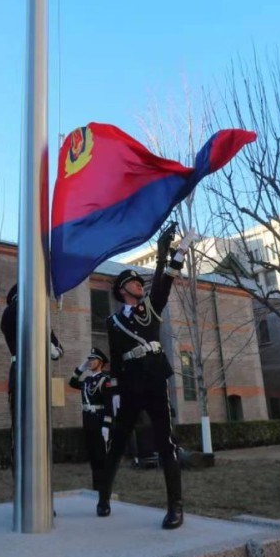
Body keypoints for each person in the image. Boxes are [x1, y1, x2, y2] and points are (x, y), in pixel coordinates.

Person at [97, 222, 191, 530]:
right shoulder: (113, 321)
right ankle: (104, 496)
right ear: (123, 289)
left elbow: (168, 278)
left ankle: (175, 507)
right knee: (119, 443)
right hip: (129, 385)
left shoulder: (151, 306)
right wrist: (114, 395)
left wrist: (169, 252)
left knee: (165, 441)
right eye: (134, 283)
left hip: (154, 380)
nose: (140, 285)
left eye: (140, 282)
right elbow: (114, 361)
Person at [0, 283, 64, 472]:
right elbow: (20, 321)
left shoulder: (37, 315)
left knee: (39, 427)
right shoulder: (11, 312)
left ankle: (38, 472)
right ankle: (22, 474)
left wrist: (53, 348)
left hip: (39, 371)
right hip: (22, 368)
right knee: (22, 428)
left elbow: (59, 350)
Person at [69, 348, 113, 490]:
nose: (90, 362)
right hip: (88, 420)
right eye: (89, 360)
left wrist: (106, 425)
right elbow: (72, 382)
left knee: (101, 456)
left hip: (99, 420)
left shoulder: (105, 380)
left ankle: (104, 489)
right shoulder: (87, 380)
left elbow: (109, 404)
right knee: (93, 456)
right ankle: (96, 488)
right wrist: (80, 369)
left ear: (100, 362)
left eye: (93, 360)